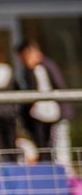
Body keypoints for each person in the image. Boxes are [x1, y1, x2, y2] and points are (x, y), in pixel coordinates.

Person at [18, 40, 74, 174]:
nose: (22, 61)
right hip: (44, 115)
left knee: (60, 150)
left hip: (55, 114)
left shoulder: (43, 67)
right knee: (48, 148)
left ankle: (65, 180)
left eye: (23, 56)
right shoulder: (33, 69)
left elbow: (57, 87)